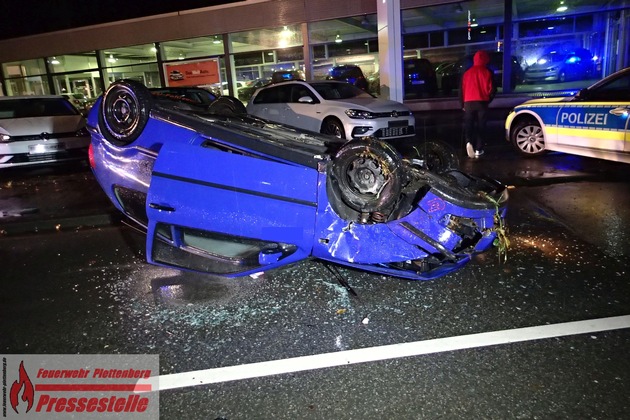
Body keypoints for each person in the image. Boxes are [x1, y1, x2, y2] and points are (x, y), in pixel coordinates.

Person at [460, 50, 496, 158]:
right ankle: (478, 149)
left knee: (469, 124)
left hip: (468, 103)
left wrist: (462, 104)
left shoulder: (467, 73)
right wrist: (488, 100)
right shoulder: (487, 72)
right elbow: (492, 89)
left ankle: (468, 142)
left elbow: (461, 90)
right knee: (481, 126)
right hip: (482, 102)